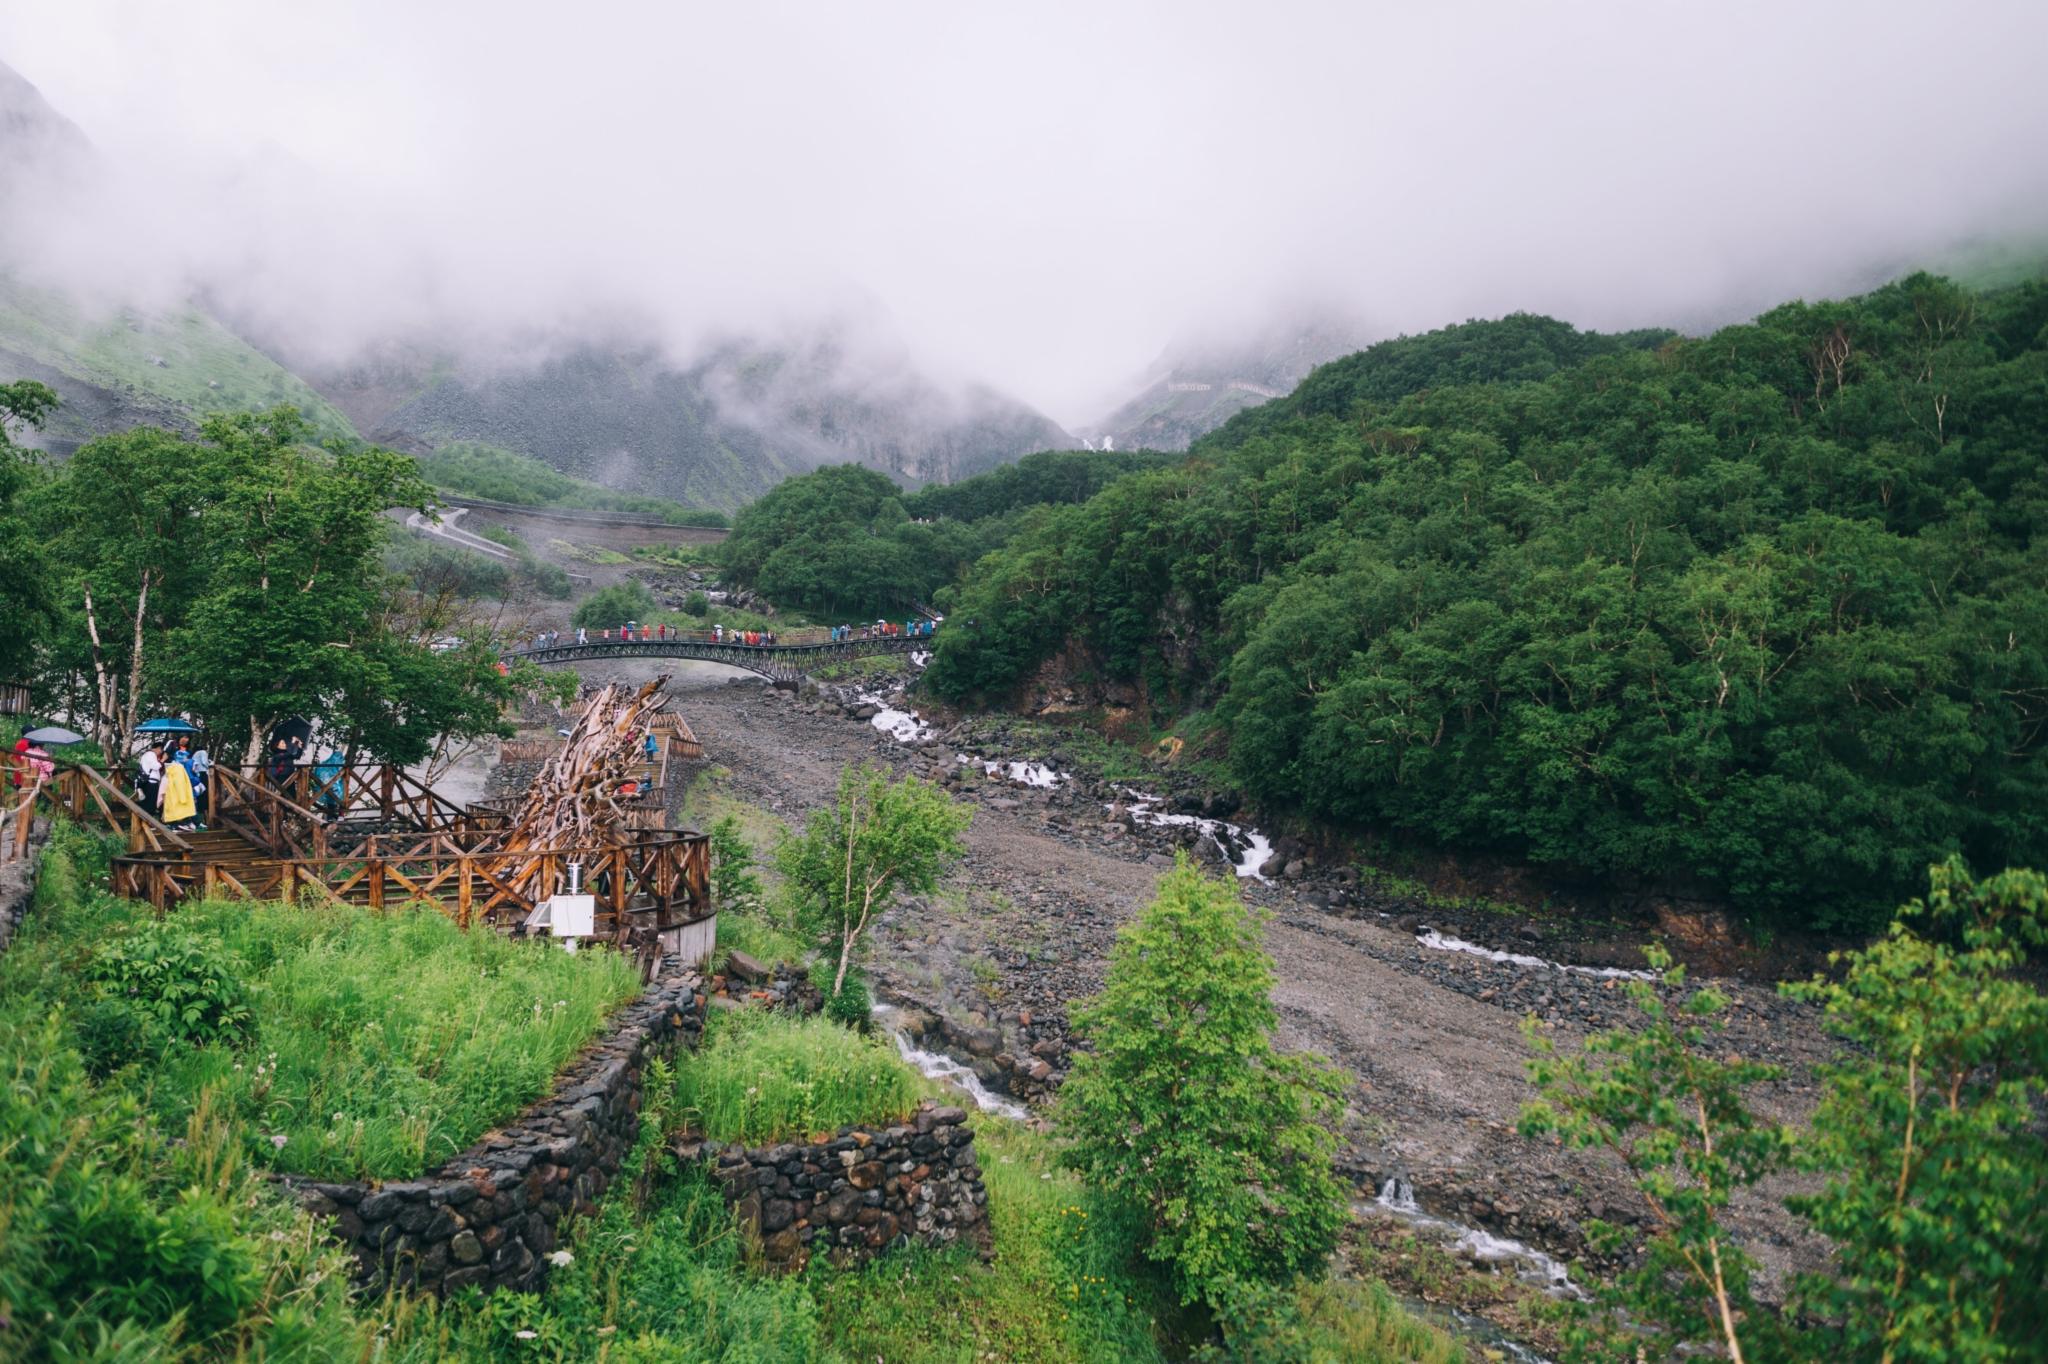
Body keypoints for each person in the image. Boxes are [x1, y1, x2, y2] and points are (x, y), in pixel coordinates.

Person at [157, 748, 197, 830]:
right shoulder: (180, 769)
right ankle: (181, 823)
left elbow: (164, 786)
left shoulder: (170, 771)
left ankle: (175, 824)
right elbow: (183, 782)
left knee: (173, 809)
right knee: (180, 809)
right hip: (180, 793)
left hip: (171, 794)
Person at [135, 743, 163, 810]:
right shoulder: (151, 754)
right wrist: (162, 760)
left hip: (146, 780)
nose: (161, 752)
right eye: (161, 749)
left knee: (146, 802)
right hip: (151, 782)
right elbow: (155, 766)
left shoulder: (146, 755)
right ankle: (146, 818)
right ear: (158, 748)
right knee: (150, 804)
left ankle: (143, 817)